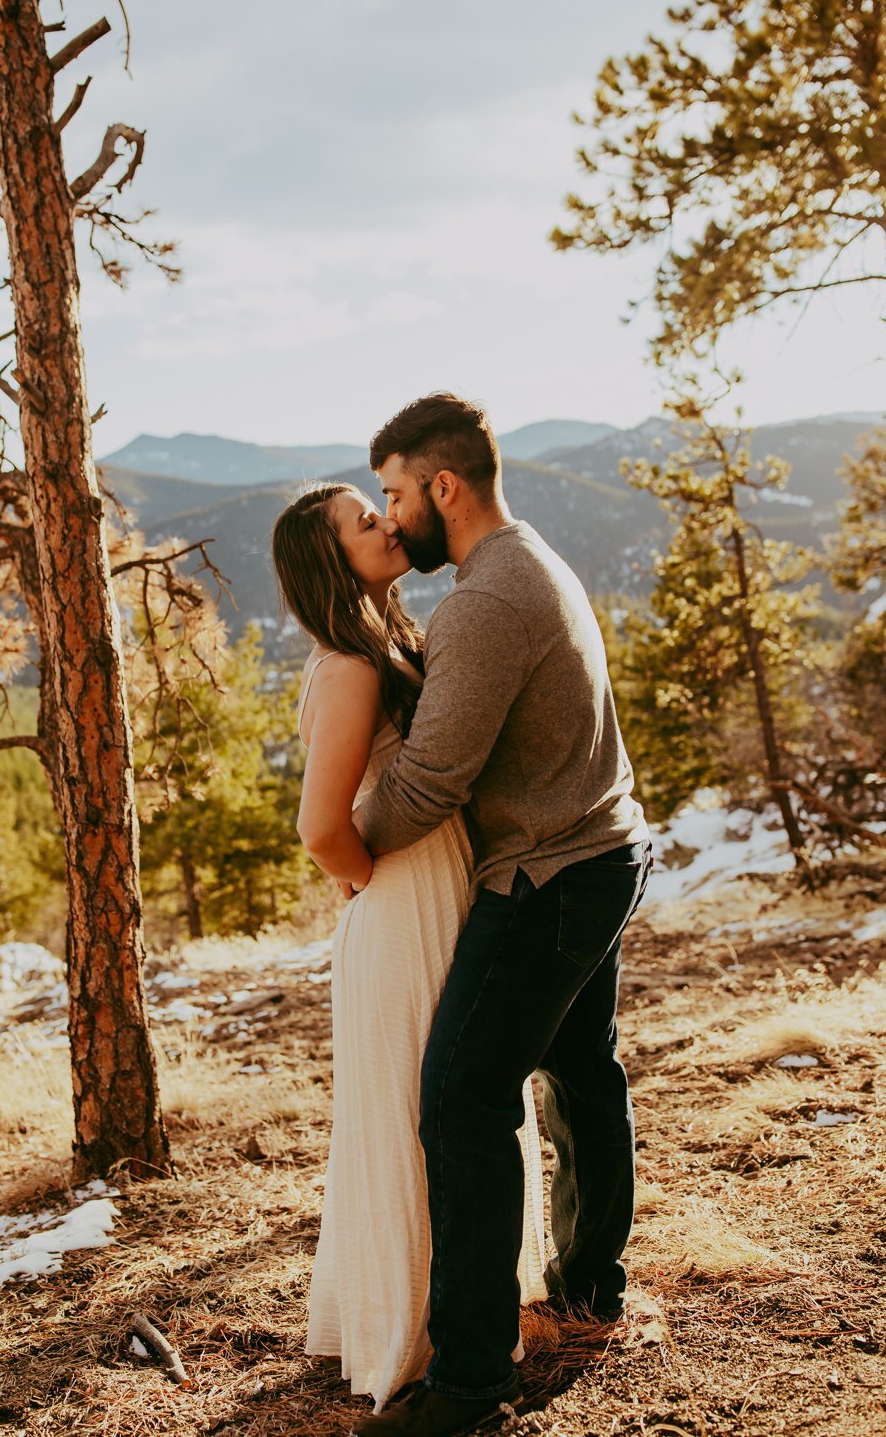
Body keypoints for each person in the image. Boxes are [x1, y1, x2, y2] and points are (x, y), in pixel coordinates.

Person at [351, 393, 652, 1437]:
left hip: (547, 878)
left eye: (392, 493)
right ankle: (586, 1287)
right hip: (603, 851)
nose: (388, 519)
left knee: (462, 1102)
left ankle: (469, 1382)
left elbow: (429, 779)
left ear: (442, 486)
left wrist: (346, 846)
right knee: (579, 1070)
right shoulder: (527, 560)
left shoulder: (484, 600)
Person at [271, 481, 548, 1419]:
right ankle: (416, 1331)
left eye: (376, 507)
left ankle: (457, 1305)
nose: (386, 523)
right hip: (402, 906)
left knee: (452, 1099)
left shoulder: (386, 640)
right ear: (331, 560)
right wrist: (365, 880)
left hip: (438, 889)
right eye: (364, 523)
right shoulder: (349, 666)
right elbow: (320, 828)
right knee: (411, 1111)